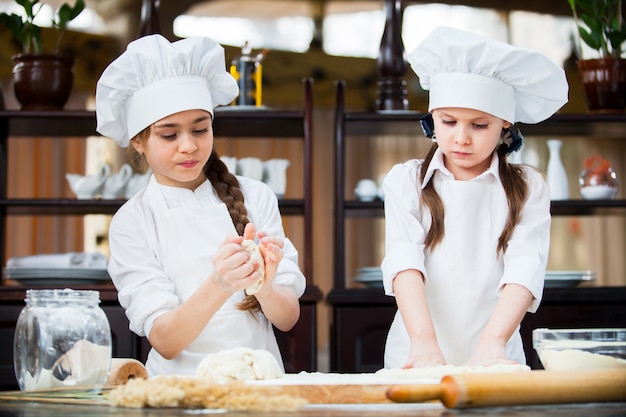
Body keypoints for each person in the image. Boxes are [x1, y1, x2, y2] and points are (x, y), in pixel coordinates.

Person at [95, 34, 306, 376]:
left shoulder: (255, 196)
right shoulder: (133, 221)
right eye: (169, 134)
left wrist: (265, 285)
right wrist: (220, 283)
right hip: (178, 392)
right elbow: (165, 340)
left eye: (200, 129)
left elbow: (287, 319)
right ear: (138, 141)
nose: (189, 146)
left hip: (260, 387)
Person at [381, 26, 568, 369]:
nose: (461, 138)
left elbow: (525, 267)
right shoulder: (407, 181)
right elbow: (404, 262)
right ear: (432, 119)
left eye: (479, 125)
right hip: (415, 352)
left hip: (496, 355)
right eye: (449, 122)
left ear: (505, 126)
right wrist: (423, 343)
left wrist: (493, 343)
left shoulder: (528, 188)